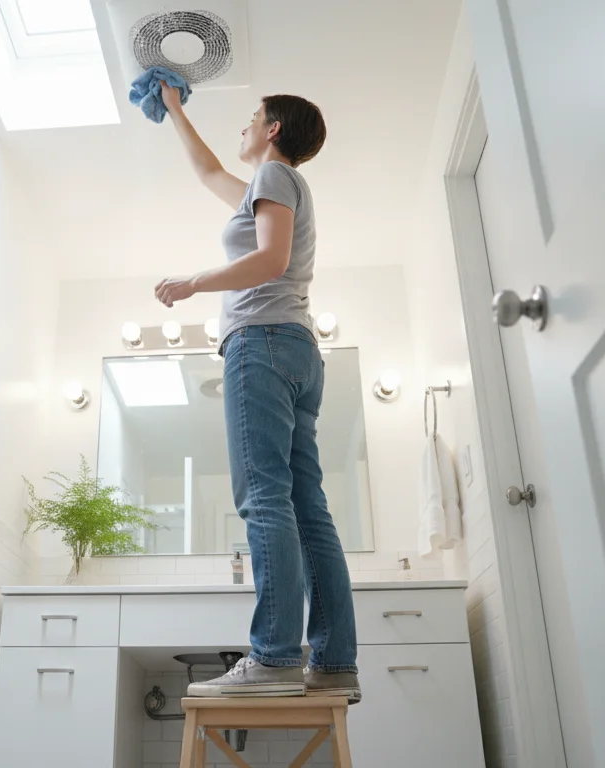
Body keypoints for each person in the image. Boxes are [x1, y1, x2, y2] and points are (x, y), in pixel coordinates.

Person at [152, 82, 360, 703]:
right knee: (307, 507)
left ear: (273, 130)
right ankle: (334, 660)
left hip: (261, 344)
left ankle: (272, 658)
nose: (244, 128)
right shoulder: (270, 188)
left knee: (264, 499)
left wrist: (193, 283)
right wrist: (174, 111)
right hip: (295, 348)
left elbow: (268, 261)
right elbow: (209, 169)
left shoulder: (275, 179)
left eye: (251, 118)